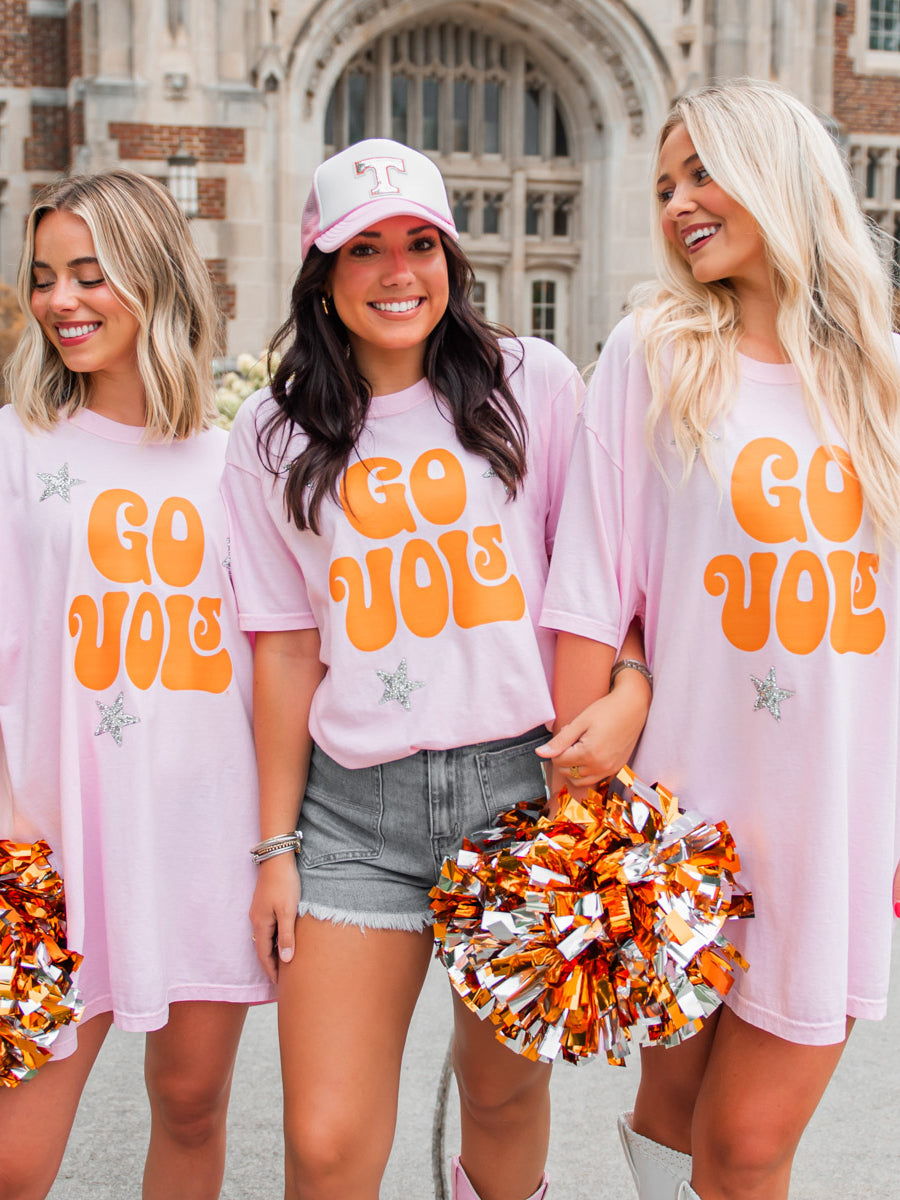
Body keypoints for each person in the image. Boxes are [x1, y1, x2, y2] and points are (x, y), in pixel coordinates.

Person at [221, 137, 651, 1200]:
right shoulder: (271, 434)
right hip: (353, 820)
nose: (398, 272)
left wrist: (631, 689)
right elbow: (284, 650)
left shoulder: (530, 385)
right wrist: (276, 845)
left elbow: (604, 572)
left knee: (503, 1103)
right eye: (364, 249)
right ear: (323, 273)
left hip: (519, 796)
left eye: (420, 242)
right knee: (324, 1144)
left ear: (452, 258)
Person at [539, 78, 900, 1200]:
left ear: (782, 177)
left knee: (747, 1147)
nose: (679, 202)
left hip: (839, 818)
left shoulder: (883, 378)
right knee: (673, 1117)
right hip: (680, 829)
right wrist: (580, 825)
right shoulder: (653, 353)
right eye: (663, 184)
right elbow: (596, 591)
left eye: (702, 171)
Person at [0, 170, 274, 1199]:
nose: (60, 301)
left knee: (194, 1109)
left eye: (88, 274)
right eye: (43, 279)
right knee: (13, 1160)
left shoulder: (237, 465)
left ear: (154, 279)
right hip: (50, 850)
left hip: (201, 843)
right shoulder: (16, 450)